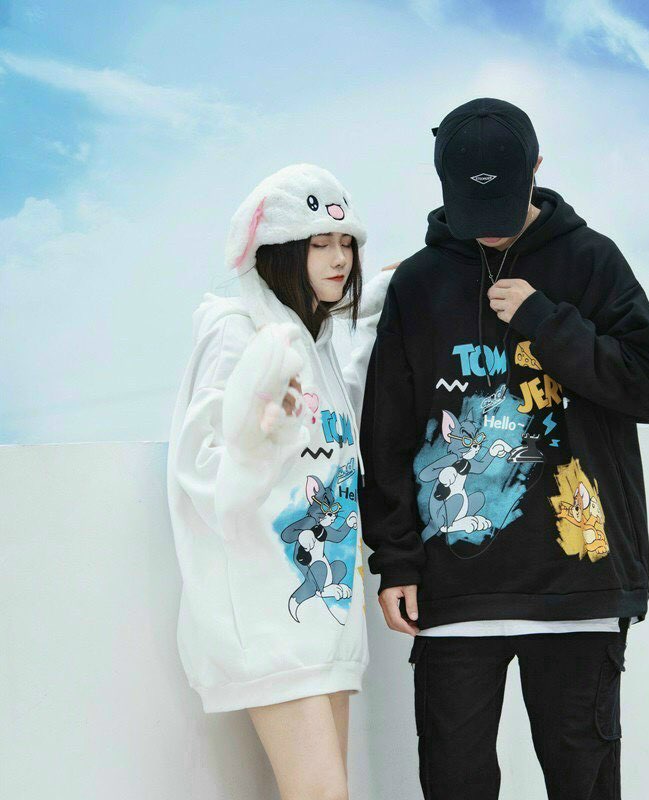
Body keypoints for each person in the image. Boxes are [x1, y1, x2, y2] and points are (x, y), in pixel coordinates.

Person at [359, 98, 649, 800]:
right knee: (454, 781)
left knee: (583, 783)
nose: (487, 227)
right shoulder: (419, 282)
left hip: (578, 581)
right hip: (451, 587)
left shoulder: (591, 261)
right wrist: (396, 559)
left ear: (536, 167)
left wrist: (543, 319)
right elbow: (386, 432)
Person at [166, 163, 394, 800]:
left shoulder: (317, 341)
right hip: (266, 615)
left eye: (346, 242)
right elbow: (200, 463)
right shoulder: (238, 331)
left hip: (325, 618)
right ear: (278, 251)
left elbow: (341, 423)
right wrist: (254, 442)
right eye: (319, 243)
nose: (339, 258)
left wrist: (378, 305)